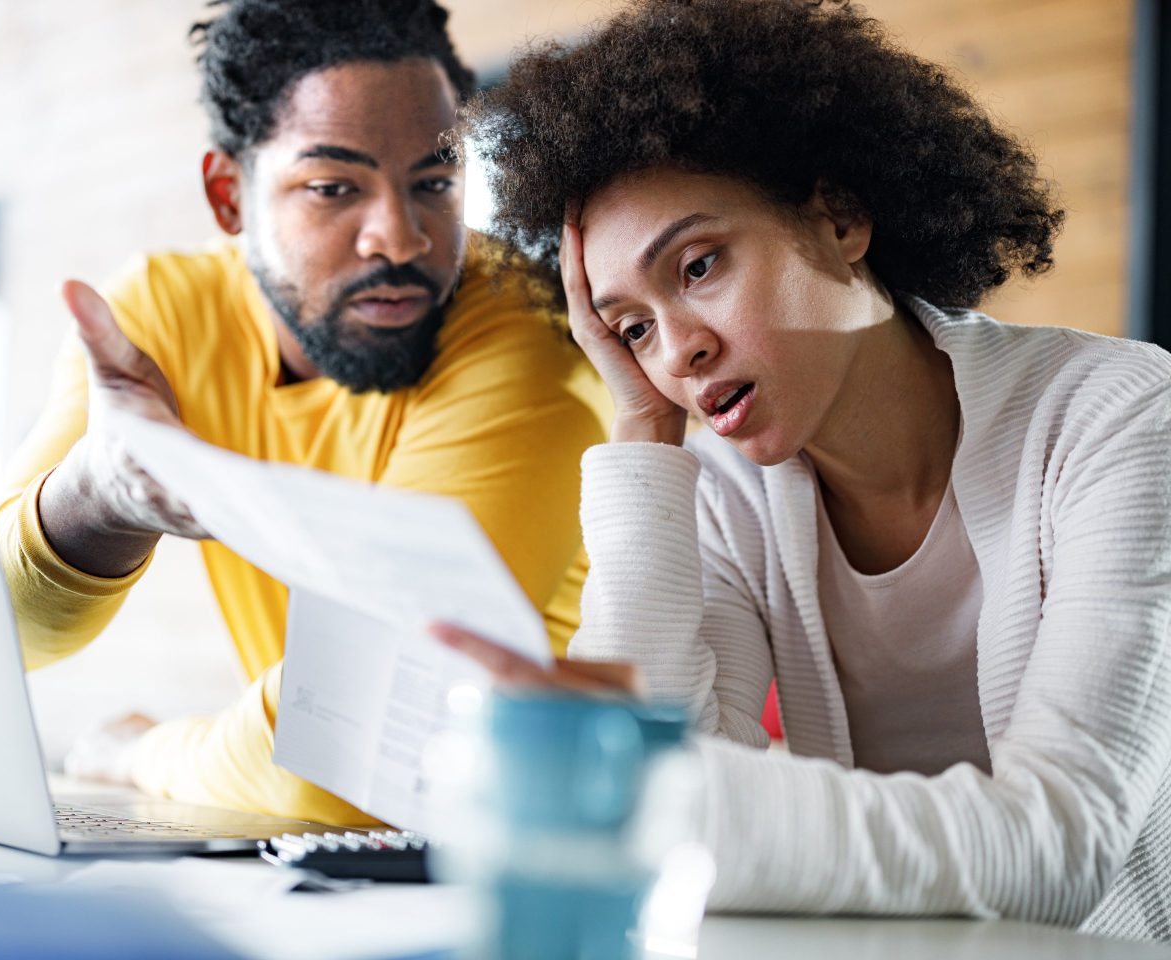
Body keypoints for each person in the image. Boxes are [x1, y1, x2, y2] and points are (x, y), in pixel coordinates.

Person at [435, 0, 1171, 940]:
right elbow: (653, 805)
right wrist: (641, 432)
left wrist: (642, 794)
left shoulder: (1119, 415)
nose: (677, 354)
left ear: (840, 217)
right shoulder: (730, 496)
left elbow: (1057, 847)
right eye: (631, 329)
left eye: (698, 267)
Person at [0, 0, 608, 826]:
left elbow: (352, 752)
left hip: (552, 845)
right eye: (333, 187)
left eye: (433, 182)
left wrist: (138, 754)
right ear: (228, 197)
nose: (399, 238)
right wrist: (101, 496)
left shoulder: (524, 334)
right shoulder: (160, 315)